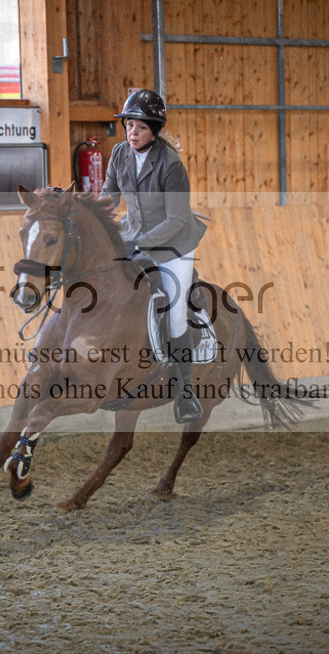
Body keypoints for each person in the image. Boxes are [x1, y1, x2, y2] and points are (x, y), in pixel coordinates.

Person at [100, 89, 208, 424]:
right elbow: (108, 196)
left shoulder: (171, 165)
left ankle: (185, 391)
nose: (132, 133)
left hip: (174, 243)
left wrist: (141, 243)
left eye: (140, 128)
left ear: (154, 130)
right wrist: (84, 211)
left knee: (175, 313)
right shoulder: (119, 153)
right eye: (129, 126)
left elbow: (176, 219)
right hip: (134, 235)